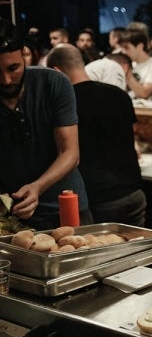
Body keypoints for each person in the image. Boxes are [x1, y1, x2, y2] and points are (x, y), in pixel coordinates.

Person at [0, 18, 91, 230]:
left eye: (13, 68)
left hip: (66, 209)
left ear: (24, 54)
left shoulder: (53, 83)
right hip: (13, 217)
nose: (5, 80)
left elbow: (69, 152)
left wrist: (37, 187)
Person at [46, 44, 146, 226]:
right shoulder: (119, 95)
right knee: (136, 253)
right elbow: (132, 137)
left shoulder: (64, 105)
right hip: (133, 194)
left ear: (56, 72)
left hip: (97, 200)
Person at [118, 28, 152, 100]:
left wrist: (128, 75)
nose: (124, 52)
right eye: (122, 49)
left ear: (140, 46)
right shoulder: (131, 64)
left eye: (127, 48)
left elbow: (144, 93)